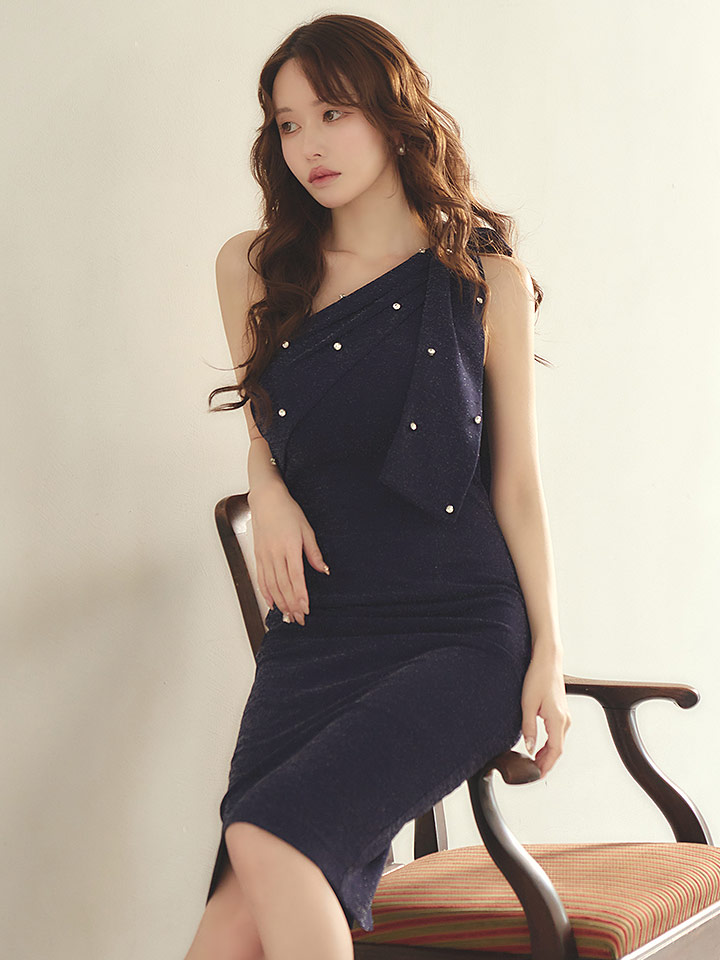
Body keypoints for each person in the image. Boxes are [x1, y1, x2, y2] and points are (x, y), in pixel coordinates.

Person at [185, 13, 571, 960]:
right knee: (235, 909)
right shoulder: (254, 267)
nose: (308, 145)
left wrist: (549, 653)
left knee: (268, 840)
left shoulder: (485, 279)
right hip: (318, 628)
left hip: (461, 629)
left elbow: (518, 487)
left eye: (332, 114)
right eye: (288, 124)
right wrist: (268, 493)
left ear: (394, 118)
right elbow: (265, 429)